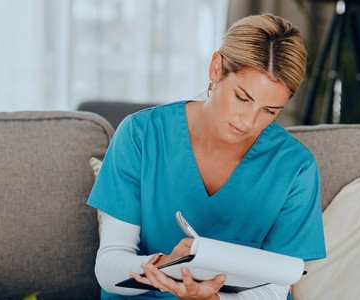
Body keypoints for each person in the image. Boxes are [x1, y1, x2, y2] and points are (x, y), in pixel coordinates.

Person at [87, 13, 326, 300]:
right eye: (242, 97)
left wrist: (213, 299)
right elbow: (110, 266)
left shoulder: (295, 167)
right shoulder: (141, 135)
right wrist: (167, 268)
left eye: (269, 111)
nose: (248, 122)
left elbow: (277, 286)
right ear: (216, 69)